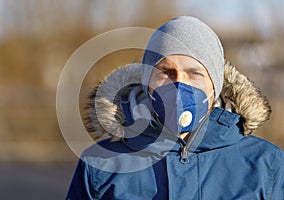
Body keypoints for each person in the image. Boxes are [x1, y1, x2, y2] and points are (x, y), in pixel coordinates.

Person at [66, 16, 284, 199]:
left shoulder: (265, 164)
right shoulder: (100, 164)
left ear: (215, 85)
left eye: (194, 73)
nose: (180, 84)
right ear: (147, 81)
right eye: (166, 72)